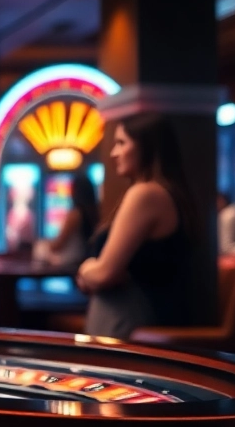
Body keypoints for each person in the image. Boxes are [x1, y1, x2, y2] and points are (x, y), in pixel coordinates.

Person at [77, 113, 197, 339]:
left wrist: (86, 268)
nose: (113, 154)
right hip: (136, 321)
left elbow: (104, 274)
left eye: (122, 143)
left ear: (147, 146)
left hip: (129, 323)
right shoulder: (168, 192)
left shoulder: (146, 194)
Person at [37, 171, 99, 266]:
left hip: (71, 260)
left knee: (40, 248)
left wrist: (43, 244)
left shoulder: (75, 214)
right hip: (85, 259)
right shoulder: (95, 212)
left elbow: (58, 244)